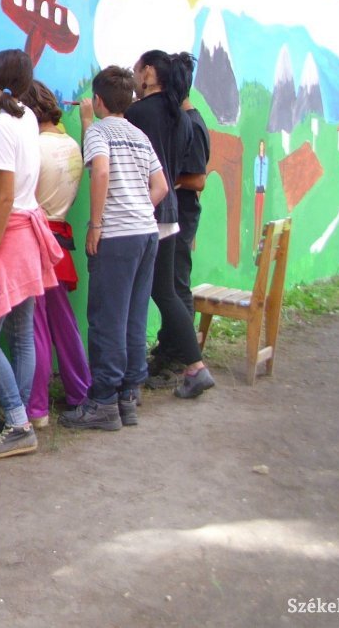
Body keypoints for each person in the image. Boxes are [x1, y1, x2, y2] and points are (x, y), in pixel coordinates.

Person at [0, 50, 61, 459]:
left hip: (6, 236)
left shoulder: (6, 124)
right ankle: (13, 416)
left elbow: (4, 197)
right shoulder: (24, 119)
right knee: (21, 336)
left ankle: (18, 423)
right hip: (25, 236)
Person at [60, 67, 168, 430]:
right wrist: (138, 207)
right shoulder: (139, 135)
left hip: (117, 237)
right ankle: (127, 397)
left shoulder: (100, 132)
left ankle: (103, 401)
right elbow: (161, 187)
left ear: (100, 101)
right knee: (134, 317)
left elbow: (101, 171)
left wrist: (97, 223)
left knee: (107, 318)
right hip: (146, 233)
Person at [126, 50, 214, 399]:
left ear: (148, 73)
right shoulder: (182, 115)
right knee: (165, 292)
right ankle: (194, 366)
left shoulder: (137, 114)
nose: (134, 78)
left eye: (136, 71)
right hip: (170, 214)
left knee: (141, 293)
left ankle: (133, 376)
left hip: (144, 212)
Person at [18, 82, 90, 426]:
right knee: (64, 323)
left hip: (35, 238)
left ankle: (36, 407)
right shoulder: (72, 145)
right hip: (61, 239)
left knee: (35, 328)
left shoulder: (33, 147)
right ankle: (79, 391)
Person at [152, 92, 210, 374]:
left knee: (176, 285)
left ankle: (181, 356)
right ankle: (171, 346)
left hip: (182, 214)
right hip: (177, 213)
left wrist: (165, 177)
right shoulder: (183, 120)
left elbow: (199, 179)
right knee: (169, 286)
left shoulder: (192, 123)